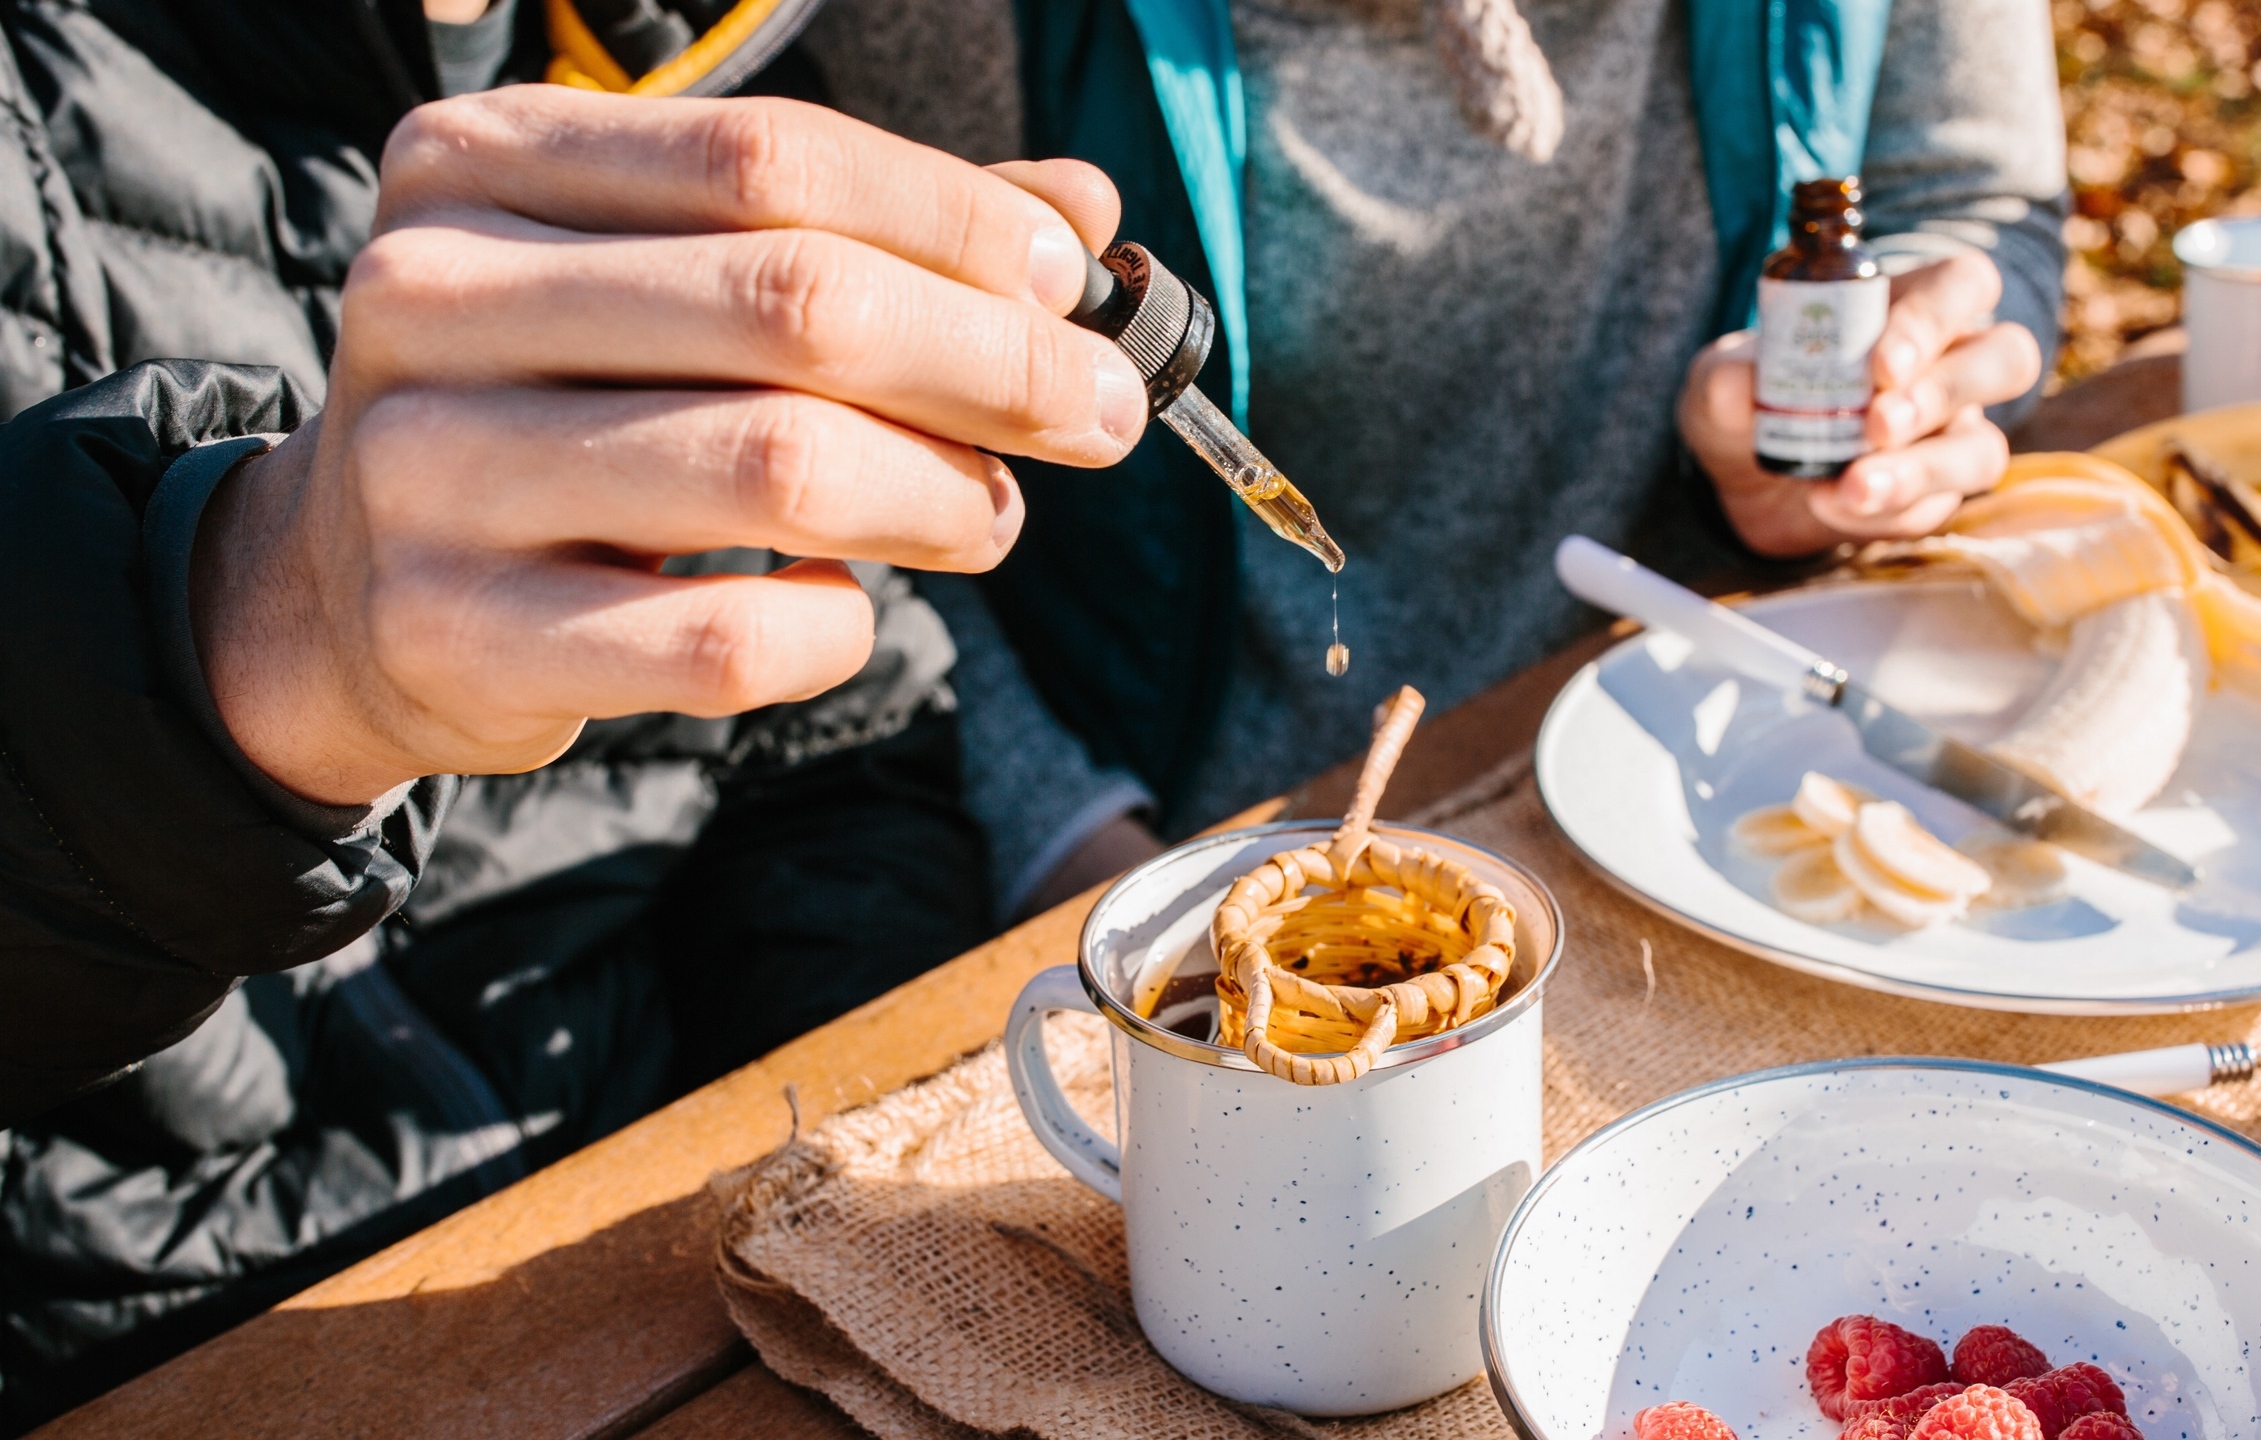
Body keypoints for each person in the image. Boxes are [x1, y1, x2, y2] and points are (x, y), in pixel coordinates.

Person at [0, 3, 1145, 1427]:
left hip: (689, 1288)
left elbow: (827, 756)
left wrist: (867, 1210)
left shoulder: (667, 39)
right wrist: (226, 643)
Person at [905, 0, 2070, 919]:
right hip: (1168, 842)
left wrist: (1874, 406)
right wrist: (1068, 838)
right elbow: (860, 450)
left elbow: (1967, 197)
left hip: (1726, 780)